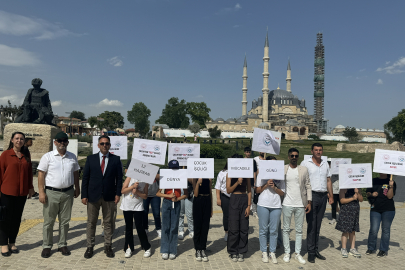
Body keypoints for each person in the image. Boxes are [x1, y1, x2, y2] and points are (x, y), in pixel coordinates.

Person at [37, 132, 81, 258]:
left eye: (64, 141)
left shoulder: (72, 156)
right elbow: (41, 174)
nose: (62, 143)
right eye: (59, 141)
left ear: (67, 142)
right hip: (51, 193)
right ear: (55, 142)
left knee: (65, 221)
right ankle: (47, 245)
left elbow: (76, 173)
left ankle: (62, 244)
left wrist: (77, 188)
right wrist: (41, 192)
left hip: (68, 193)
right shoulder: (48, 157)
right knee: (49, 221)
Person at [81, 135, 123, 259]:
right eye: (102, 143)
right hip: (93, 195)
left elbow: (119, 179)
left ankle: (108, 246)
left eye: (107, 144)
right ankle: (90, 246)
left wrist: (118, 194)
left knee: (108, 222)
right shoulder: (91, 159)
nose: (105, 145)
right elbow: (85, 178)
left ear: (110, 145)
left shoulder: (116, 159)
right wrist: (84, 195)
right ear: (98, 145)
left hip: (109, 196)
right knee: (91, 222)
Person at [0, 132, 35, 256]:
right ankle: (3, 244)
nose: (19, 141)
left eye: (21, 139)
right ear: (12, 140)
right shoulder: (5, 155)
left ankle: (12, 243)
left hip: (22, 193)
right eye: (17, 138)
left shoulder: (26, 155)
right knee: (5, 219)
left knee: (16, 218)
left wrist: (31, 188)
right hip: (7, 192)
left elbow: (29, 173)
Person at [300, 143, 333, 263]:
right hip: (311, 196)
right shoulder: (305, 163)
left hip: (323, 195)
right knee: (312, 224)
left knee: (318, 224)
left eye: (320, 150)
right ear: (312, 151)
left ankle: (316, 249)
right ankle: (310, 251)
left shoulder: (325, 164)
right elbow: (302, 180)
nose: (318, 152)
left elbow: (328, 180)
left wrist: (331, 195)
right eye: (316, 150)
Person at [282, 148, 311, 265]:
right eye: (292, 156)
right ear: (288, 157)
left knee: (299, 230)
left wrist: (309, 202)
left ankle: (297, 253)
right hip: (287, 203)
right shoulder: (284, 168)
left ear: (298, 157)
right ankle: (287, 252)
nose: (294, 157)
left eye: (296, 156)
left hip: (300, 204)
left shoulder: (303, 169)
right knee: (286, 229)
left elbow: (308, 185)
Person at [156, 160, 188, 260]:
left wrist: (178, 198)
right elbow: (158, 193)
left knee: (174, 227)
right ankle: (165, 249)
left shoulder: (182, 178)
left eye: (175, 168)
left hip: (176, 203)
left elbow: (186, 194)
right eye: (172, 168)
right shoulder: (165, 178)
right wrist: (168, 195)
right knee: (165, 226)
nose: (174, 170)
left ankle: (173, 250)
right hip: (166, 203)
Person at [255, 157, 285, 264]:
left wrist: (274, 187)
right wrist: (266, 184)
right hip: (263, 204)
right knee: (263, 230)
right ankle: (264, 251)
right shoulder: (261, 174)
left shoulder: (280, 176)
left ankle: (272, 252)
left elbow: (282, 193)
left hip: (276, 205)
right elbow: (257, 190)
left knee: (274, 230)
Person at [126, 160, 161, 238]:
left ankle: (158, 229)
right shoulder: (140, 167)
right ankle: (145, 228)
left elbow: (159, 177)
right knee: (144, 213)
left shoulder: (155, 168)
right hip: (144, 194)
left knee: (157, 213)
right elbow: (128, 172)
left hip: (155, 195)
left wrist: (150, 172)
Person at [226, 155, 252, 263]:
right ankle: (233, 251)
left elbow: (249, 190)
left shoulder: (247, 174)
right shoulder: (229, 174)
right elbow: (228, 190)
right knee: (234, 227)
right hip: (234, 199)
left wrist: (248, 206)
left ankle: (241, 250)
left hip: (244, 199)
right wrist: (237, 182)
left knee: (244, 227)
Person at [120, 175, 151, 258]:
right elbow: (123, 190)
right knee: (128, 227)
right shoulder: (129, 177)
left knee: (139, 227)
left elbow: (145, 196)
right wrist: (132, 187)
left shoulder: (146, 181)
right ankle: (129, 247)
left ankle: (147, 247)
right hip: (127, 206)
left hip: (138, 206)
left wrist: (137, 192)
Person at [366, 173, 396, 257]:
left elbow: (390, 196)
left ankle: (383, 249)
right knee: (373, 230)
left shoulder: (391, 181)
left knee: (385, 230)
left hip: (388, 209)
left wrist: (391, 186)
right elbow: (367, 193)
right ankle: (371, 248)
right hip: (375, 208)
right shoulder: (374, 180)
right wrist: (372, 194)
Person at [335, 188, 362, 258]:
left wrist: (358, 193)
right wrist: (352, 198)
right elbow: (342, 200)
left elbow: (361, 199)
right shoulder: (344, 187)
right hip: (346, 210)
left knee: (353, 231)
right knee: (346, 230)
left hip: (355, 211)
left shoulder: (357, 187)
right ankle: (343, 248)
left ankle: (352, 248)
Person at [193, 178, 213, 262]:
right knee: (198, 225)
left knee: (205, 226)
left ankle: (203, 248)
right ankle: (198, 249)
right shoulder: (195, 178)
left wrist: (211, 207)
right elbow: (195, 194)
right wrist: (198, 183)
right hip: (198, 201)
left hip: (207, 200)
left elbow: (211, 193)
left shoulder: (209, 179)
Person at [215, 161, 230, 241]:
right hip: (225, 196)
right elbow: (218, 187)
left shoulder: (239, 173)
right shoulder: (222, 173)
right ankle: (227, 232)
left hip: (235, 196)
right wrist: (218, 198)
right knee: (226, 215)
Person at [178, 171, 194, 240]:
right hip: (179, 191)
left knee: (189, 213)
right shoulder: (177, 169)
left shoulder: (191, 170)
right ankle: (181, 230)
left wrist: (186, 177)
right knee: (180, 213)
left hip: (188, 191)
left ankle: (191, 230)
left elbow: (194, 181)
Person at [252, 150, 265, 218]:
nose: (262, 152)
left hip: (264, 181)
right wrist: (254, 181)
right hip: (258, 180)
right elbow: (254, 170)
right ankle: (254, 211)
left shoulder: (267, 159)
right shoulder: (255, 159)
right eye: (261, 150)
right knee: (255, 196)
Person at [328, 158, 340, 225]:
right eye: (329, 163)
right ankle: (334, 218)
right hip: (333, 191)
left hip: (341, 190)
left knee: (342, 205)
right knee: (333, 206)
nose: (330, 164)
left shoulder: (340, 169)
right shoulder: (328, 171)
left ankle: (341, 217)